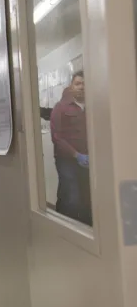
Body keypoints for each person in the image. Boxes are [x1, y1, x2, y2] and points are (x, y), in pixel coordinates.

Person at [50, 71, 92, 226]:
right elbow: (56, 137)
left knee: (86, 196)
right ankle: (67, 229)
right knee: (72, 196)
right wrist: (76, 154)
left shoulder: (93, 106)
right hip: (66, 159)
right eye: (78, 83)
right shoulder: (60, 108)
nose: (82, 87)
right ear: (71, 86)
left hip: (88, 159)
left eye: (84, 84)